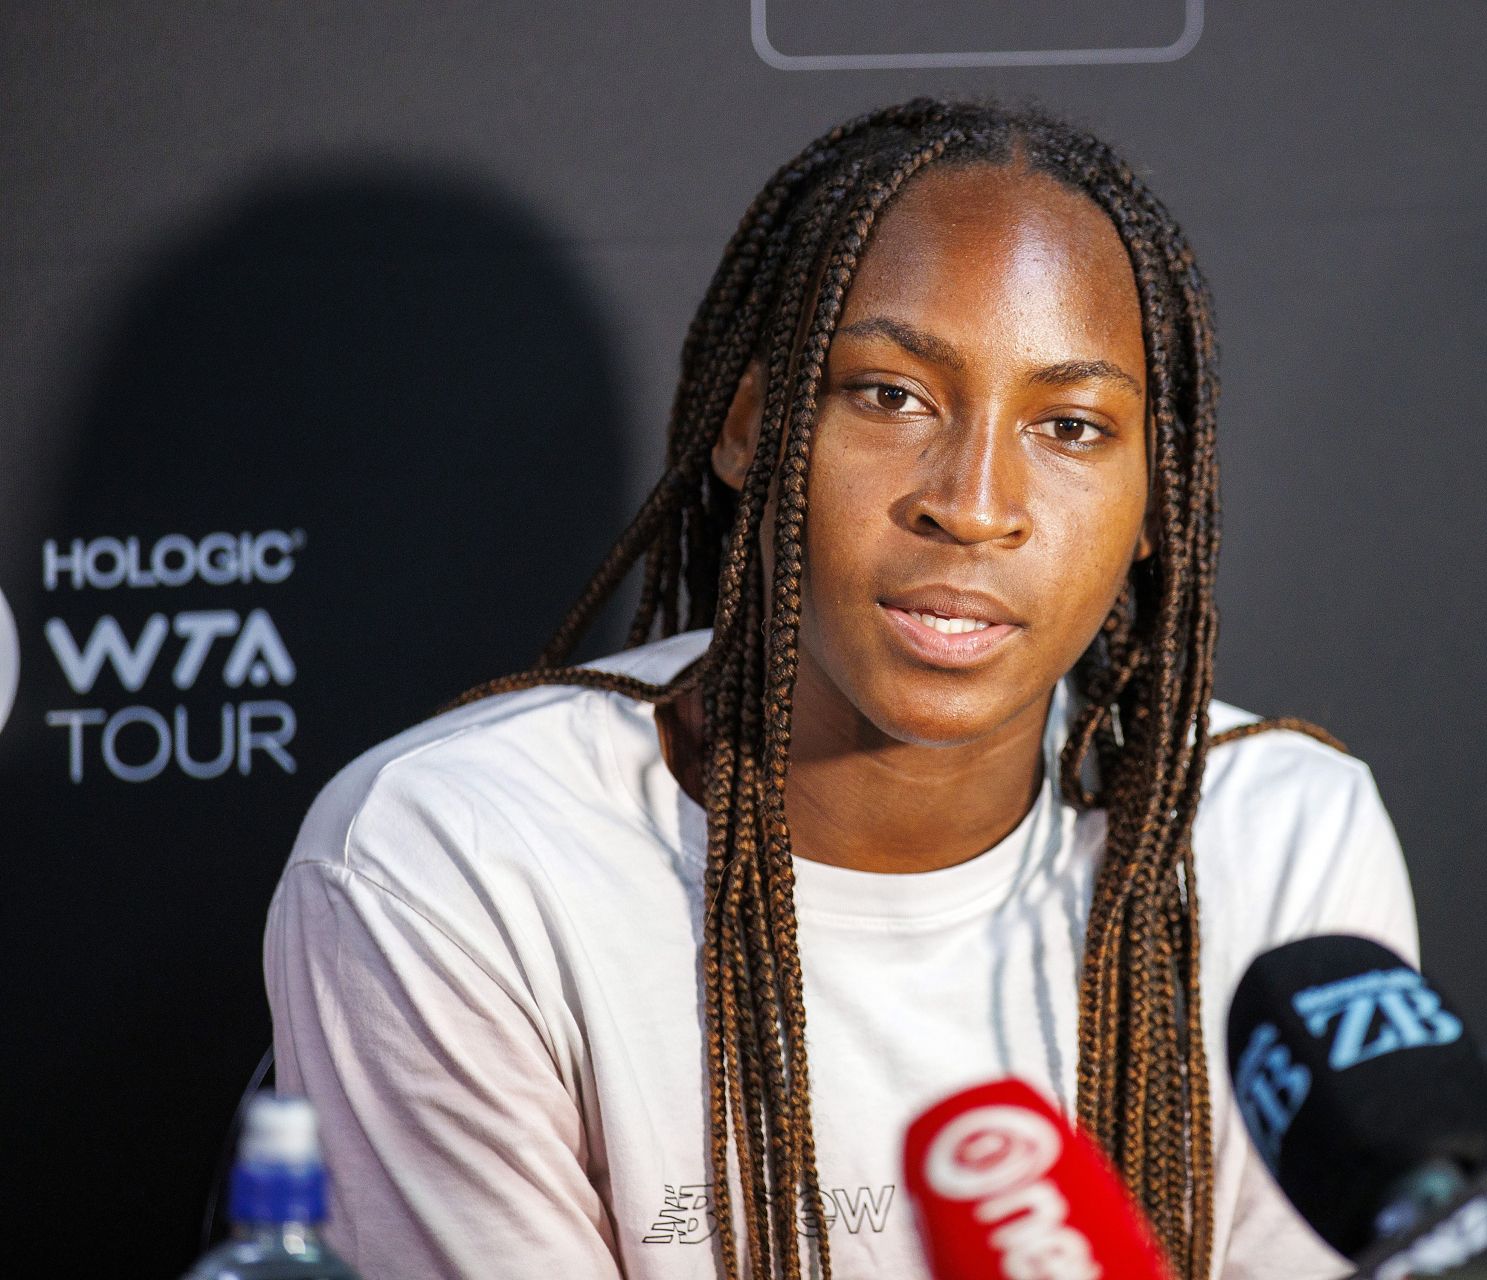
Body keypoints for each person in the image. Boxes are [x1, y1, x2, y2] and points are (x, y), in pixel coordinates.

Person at [264, 98, 1417, 1280]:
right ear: (753, 428)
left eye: (1070, 425)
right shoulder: (454, 857)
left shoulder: (1278, 836)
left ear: (1153, 503)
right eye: (890, 395)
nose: (971, 503)